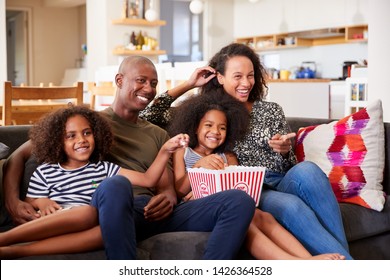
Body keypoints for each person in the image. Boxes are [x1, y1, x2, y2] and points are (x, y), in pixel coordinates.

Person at [2, 56, 256, 260]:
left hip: (155, 213)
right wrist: (13, 201)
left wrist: (166, 198)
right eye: (141, 80)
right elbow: (17, 156)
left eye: (153, 83)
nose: (148, 89)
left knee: (239, 200)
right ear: (120, 80)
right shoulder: (88, 125)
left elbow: (166, 186)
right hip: (115, 209)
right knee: (115, 184)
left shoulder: (157, 133)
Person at [140, 43, 353, 259]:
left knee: (308, 169)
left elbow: (291, 165)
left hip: (283, 178)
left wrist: (284, 150)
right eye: (238, 76)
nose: (246, 83)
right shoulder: (209, 113)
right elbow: (149, 115)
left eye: (250, 76)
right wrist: (188, 84)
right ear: (220, 77)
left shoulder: (270, 109)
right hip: (253, 188)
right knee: (291, 206)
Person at [167, 92, 344, 260]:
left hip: (230, 202)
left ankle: (309, 259)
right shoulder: (184, 152)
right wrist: (199, 166)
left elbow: (237, 186)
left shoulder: (227, 156)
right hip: (202, 207)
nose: (216, 131)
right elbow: (180, 189)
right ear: (195, 127)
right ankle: (294, 261)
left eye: (222, 128)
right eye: (208, 125)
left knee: (263, 216)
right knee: (246, 220)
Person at [0, 105, 189, 259]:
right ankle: (4, 238)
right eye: (71, 136)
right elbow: (31, 200)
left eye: (87, 133)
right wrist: (42, 202)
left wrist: (165, 151)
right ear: (57, 142)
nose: (81, 140)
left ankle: (15, 251)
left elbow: (148, 180)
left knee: (106, 232)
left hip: (86, 227)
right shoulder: (46, 171)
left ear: (96, 135)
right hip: (53, 221)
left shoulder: (103, 168)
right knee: (86, 213)